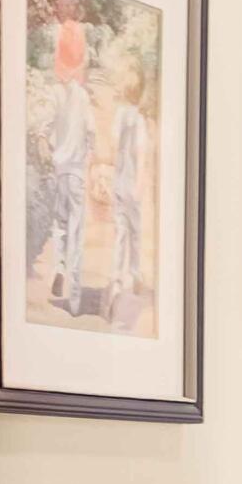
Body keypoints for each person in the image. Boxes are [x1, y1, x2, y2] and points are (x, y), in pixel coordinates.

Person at [44, 0, 94, 309]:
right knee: (77, 227)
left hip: (58, 168)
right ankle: (75, 295)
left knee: (59, 225)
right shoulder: (83, 97)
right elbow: (90, 133)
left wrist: (51, 148)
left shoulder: (54, 93)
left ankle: (59, 267)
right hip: (76, 169)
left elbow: (46, 126)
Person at [108, 58, 149, 305]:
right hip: (133, 182)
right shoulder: (140, 121)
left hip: (119, 181)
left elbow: (114, 148)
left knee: (121, 231)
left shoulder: (119, 117)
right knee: (135, 232)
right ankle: (133, 274)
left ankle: (116, 278)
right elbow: (142, 155)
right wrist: (141, 183)